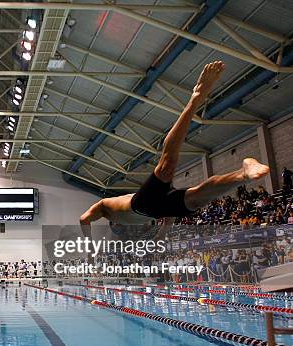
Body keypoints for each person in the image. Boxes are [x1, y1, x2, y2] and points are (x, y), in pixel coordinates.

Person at [79, 62, 270, 233]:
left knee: (166, 166)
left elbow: (83, 219)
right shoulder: (131, 212)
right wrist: (162, 234)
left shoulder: (103, 207)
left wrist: (88, 251)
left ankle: (195, 98)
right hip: (155, 210)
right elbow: (165, 212)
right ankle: (244, 173)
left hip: (140, 205)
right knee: (197, 197)